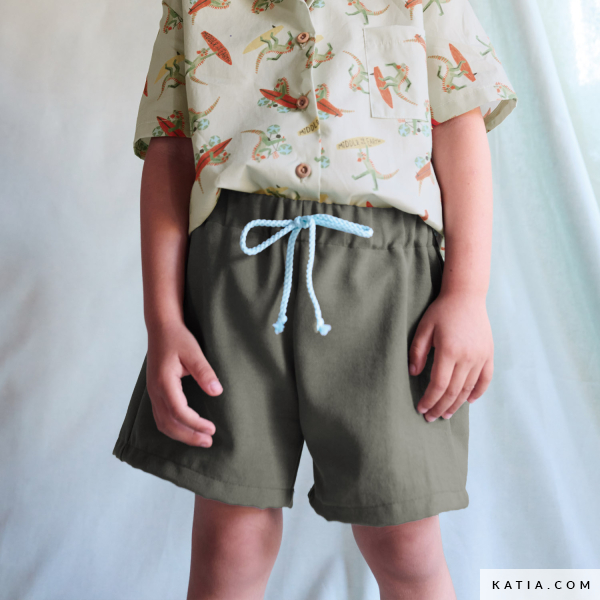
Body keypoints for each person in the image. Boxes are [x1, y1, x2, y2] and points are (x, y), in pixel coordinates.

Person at [113, 0, 518, 597]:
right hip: (235, 286)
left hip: (389, 296)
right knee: (230, 542)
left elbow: (460, 126)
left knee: (402, 537)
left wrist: (466, 293)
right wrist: (163, 320)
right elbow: (170, 150)